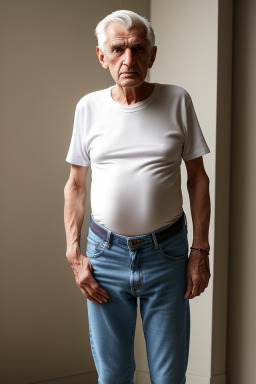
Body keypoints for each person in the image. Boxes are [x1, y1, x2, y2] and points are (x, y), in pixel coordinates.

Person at [64, 9, 211, 384]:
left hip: (168, 254)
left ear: (152, 55)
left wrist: (200, 250)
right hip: (104, 255)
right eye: (118, 50)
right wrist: (73, 252)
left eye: (138, 49)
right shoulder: (89, 108)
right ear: (102, 56)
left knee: (169, 376)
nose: (128, 60)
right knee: (112, 376)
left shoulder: (177, 100)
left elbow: (197, 178)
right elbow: (76, 185)